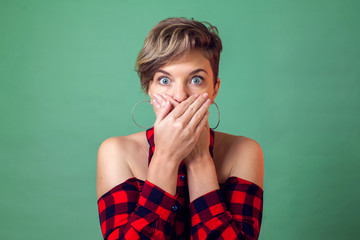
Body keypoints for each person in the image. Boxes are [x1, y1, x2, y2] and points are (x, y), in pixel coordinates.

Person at [97, 17, 264, 240]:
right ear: (148, 88)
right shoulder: (116, 152)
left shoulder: (244, 152)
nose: (180, 96)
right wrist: (166, 156)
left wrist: (200, 158)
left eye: (196, 80)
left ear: (214, 88)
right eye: (165, 81)